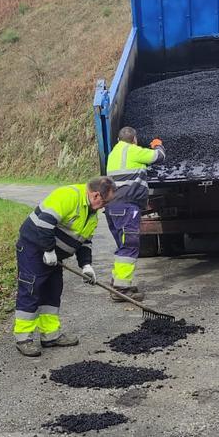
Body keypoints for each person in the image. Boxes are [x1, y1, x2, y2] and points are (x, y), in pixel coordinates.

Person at [13, 176, 116, 357]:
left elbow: (84, 242)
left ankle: (50, 336)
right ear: (96, 196)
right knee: (30, 290)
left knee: (52, 292)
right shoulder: (68, 196)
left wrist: (86, 266)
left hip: (54, 255)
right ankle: (23, 339)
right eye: (105, 202)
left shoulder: (92, 214)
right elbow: (44, 222)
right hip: (33, 249)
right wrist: (48, 250)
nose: (105, 207)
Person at [104, 126, 165, 301]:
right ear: (135, 139)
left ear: (117, 140)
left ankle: (118, 283)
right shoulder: (134, 151)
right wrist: (157, 144)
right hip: (126, 206)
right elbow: (159, 157)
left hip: (112, 207)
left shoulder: (114, 153)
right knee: (129, 246)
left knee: (122, 245)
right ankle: (122, 289)